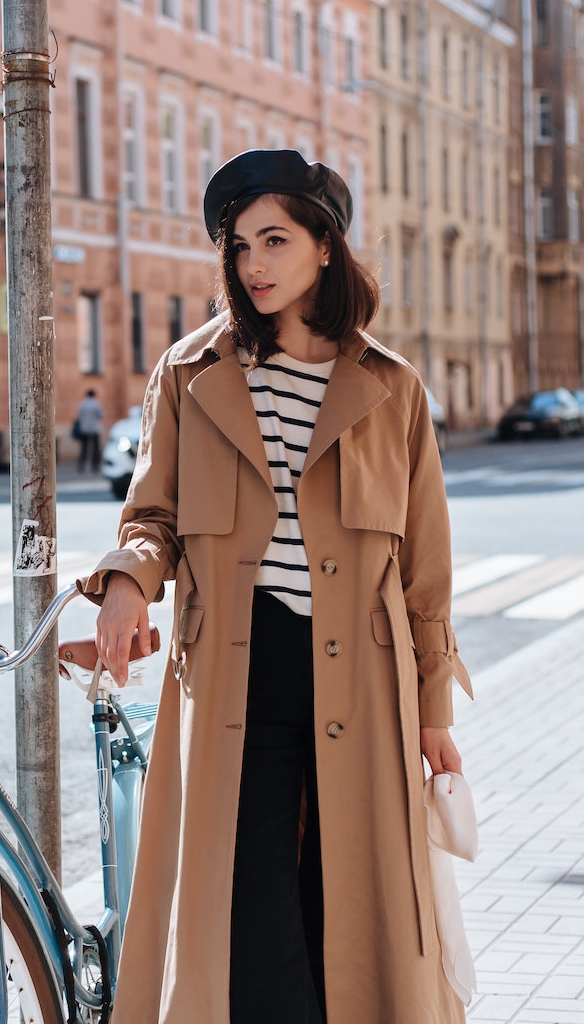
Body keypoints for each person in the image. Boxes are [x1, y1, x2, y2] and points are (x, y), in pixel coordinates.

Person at [82, 149, 473, 1024]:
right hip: (234, 675)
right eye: (240, 246)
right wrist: (126, 584)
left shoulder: (391, 388)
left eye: (274, 240)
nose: (253, 265)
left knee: (346, 904)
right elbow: (154, 517)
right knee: (246, 912)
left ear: (325, 246)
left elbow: (426, 573)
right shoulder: (190, 374)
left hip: (363, 683)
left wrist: (435, 711)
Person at [74, 389, 106, 473]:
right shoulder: (96, 404)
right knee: (95, 449)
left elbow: (79, 415)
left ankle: (81, 466)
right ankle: (95, 467)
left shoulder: (82, 404)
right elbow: (101, 415)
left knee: (84, 449)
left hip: (84, 429)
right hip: (94, 429)